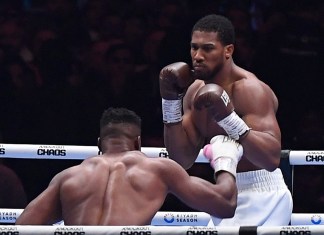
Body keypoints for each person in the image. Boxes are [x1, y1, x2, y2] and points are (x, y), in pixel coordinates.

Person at [159, 14, 293, 226]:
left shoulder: (250, 90)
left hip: (263, 194)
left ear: (228, 50)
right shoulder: (195, 91)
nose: (198, 56)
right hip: (224, 192)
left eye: (208, 48)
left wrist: (229, 119)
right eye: (194, 47)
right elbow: (182, 159)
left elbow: (271, 159)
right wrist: (170, 102)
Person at [15, 107, 243, 225]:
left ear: (98, 144)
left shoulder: (68, 177)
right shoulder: (159, 169)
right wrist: (225, 160)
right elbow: (224, 204)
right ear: (138, 143)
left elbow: (21, 227)